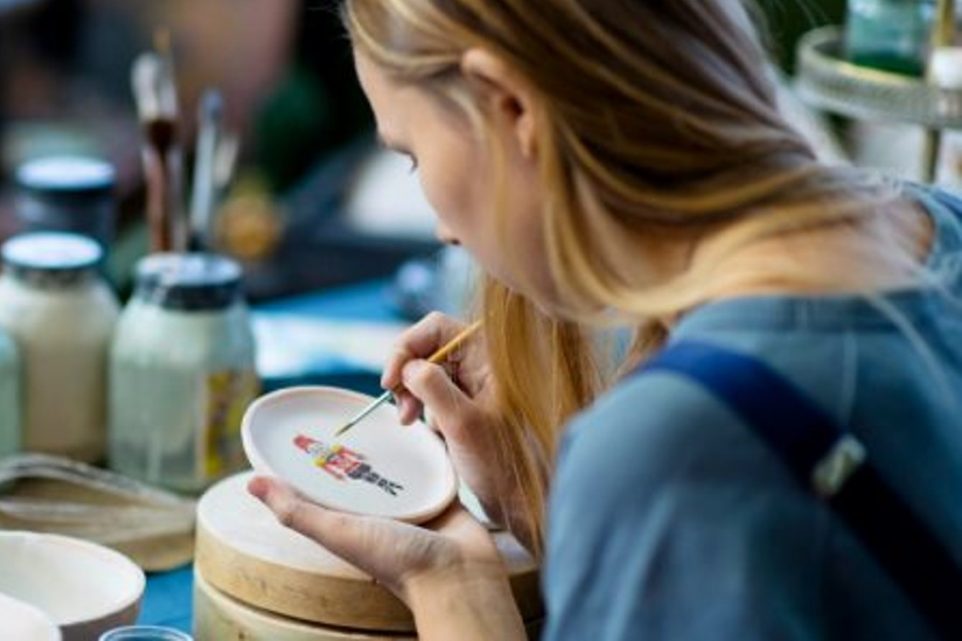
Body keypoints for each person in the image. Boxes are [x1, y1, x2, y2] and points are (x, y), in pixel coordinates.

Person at [248, 1, 962, 639]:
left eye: (411, 156)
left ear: (510, 106)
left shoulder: (679, 448)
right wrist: (561, 515)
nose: (441, 227)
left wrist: (452, 587)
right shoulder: (939, 224)